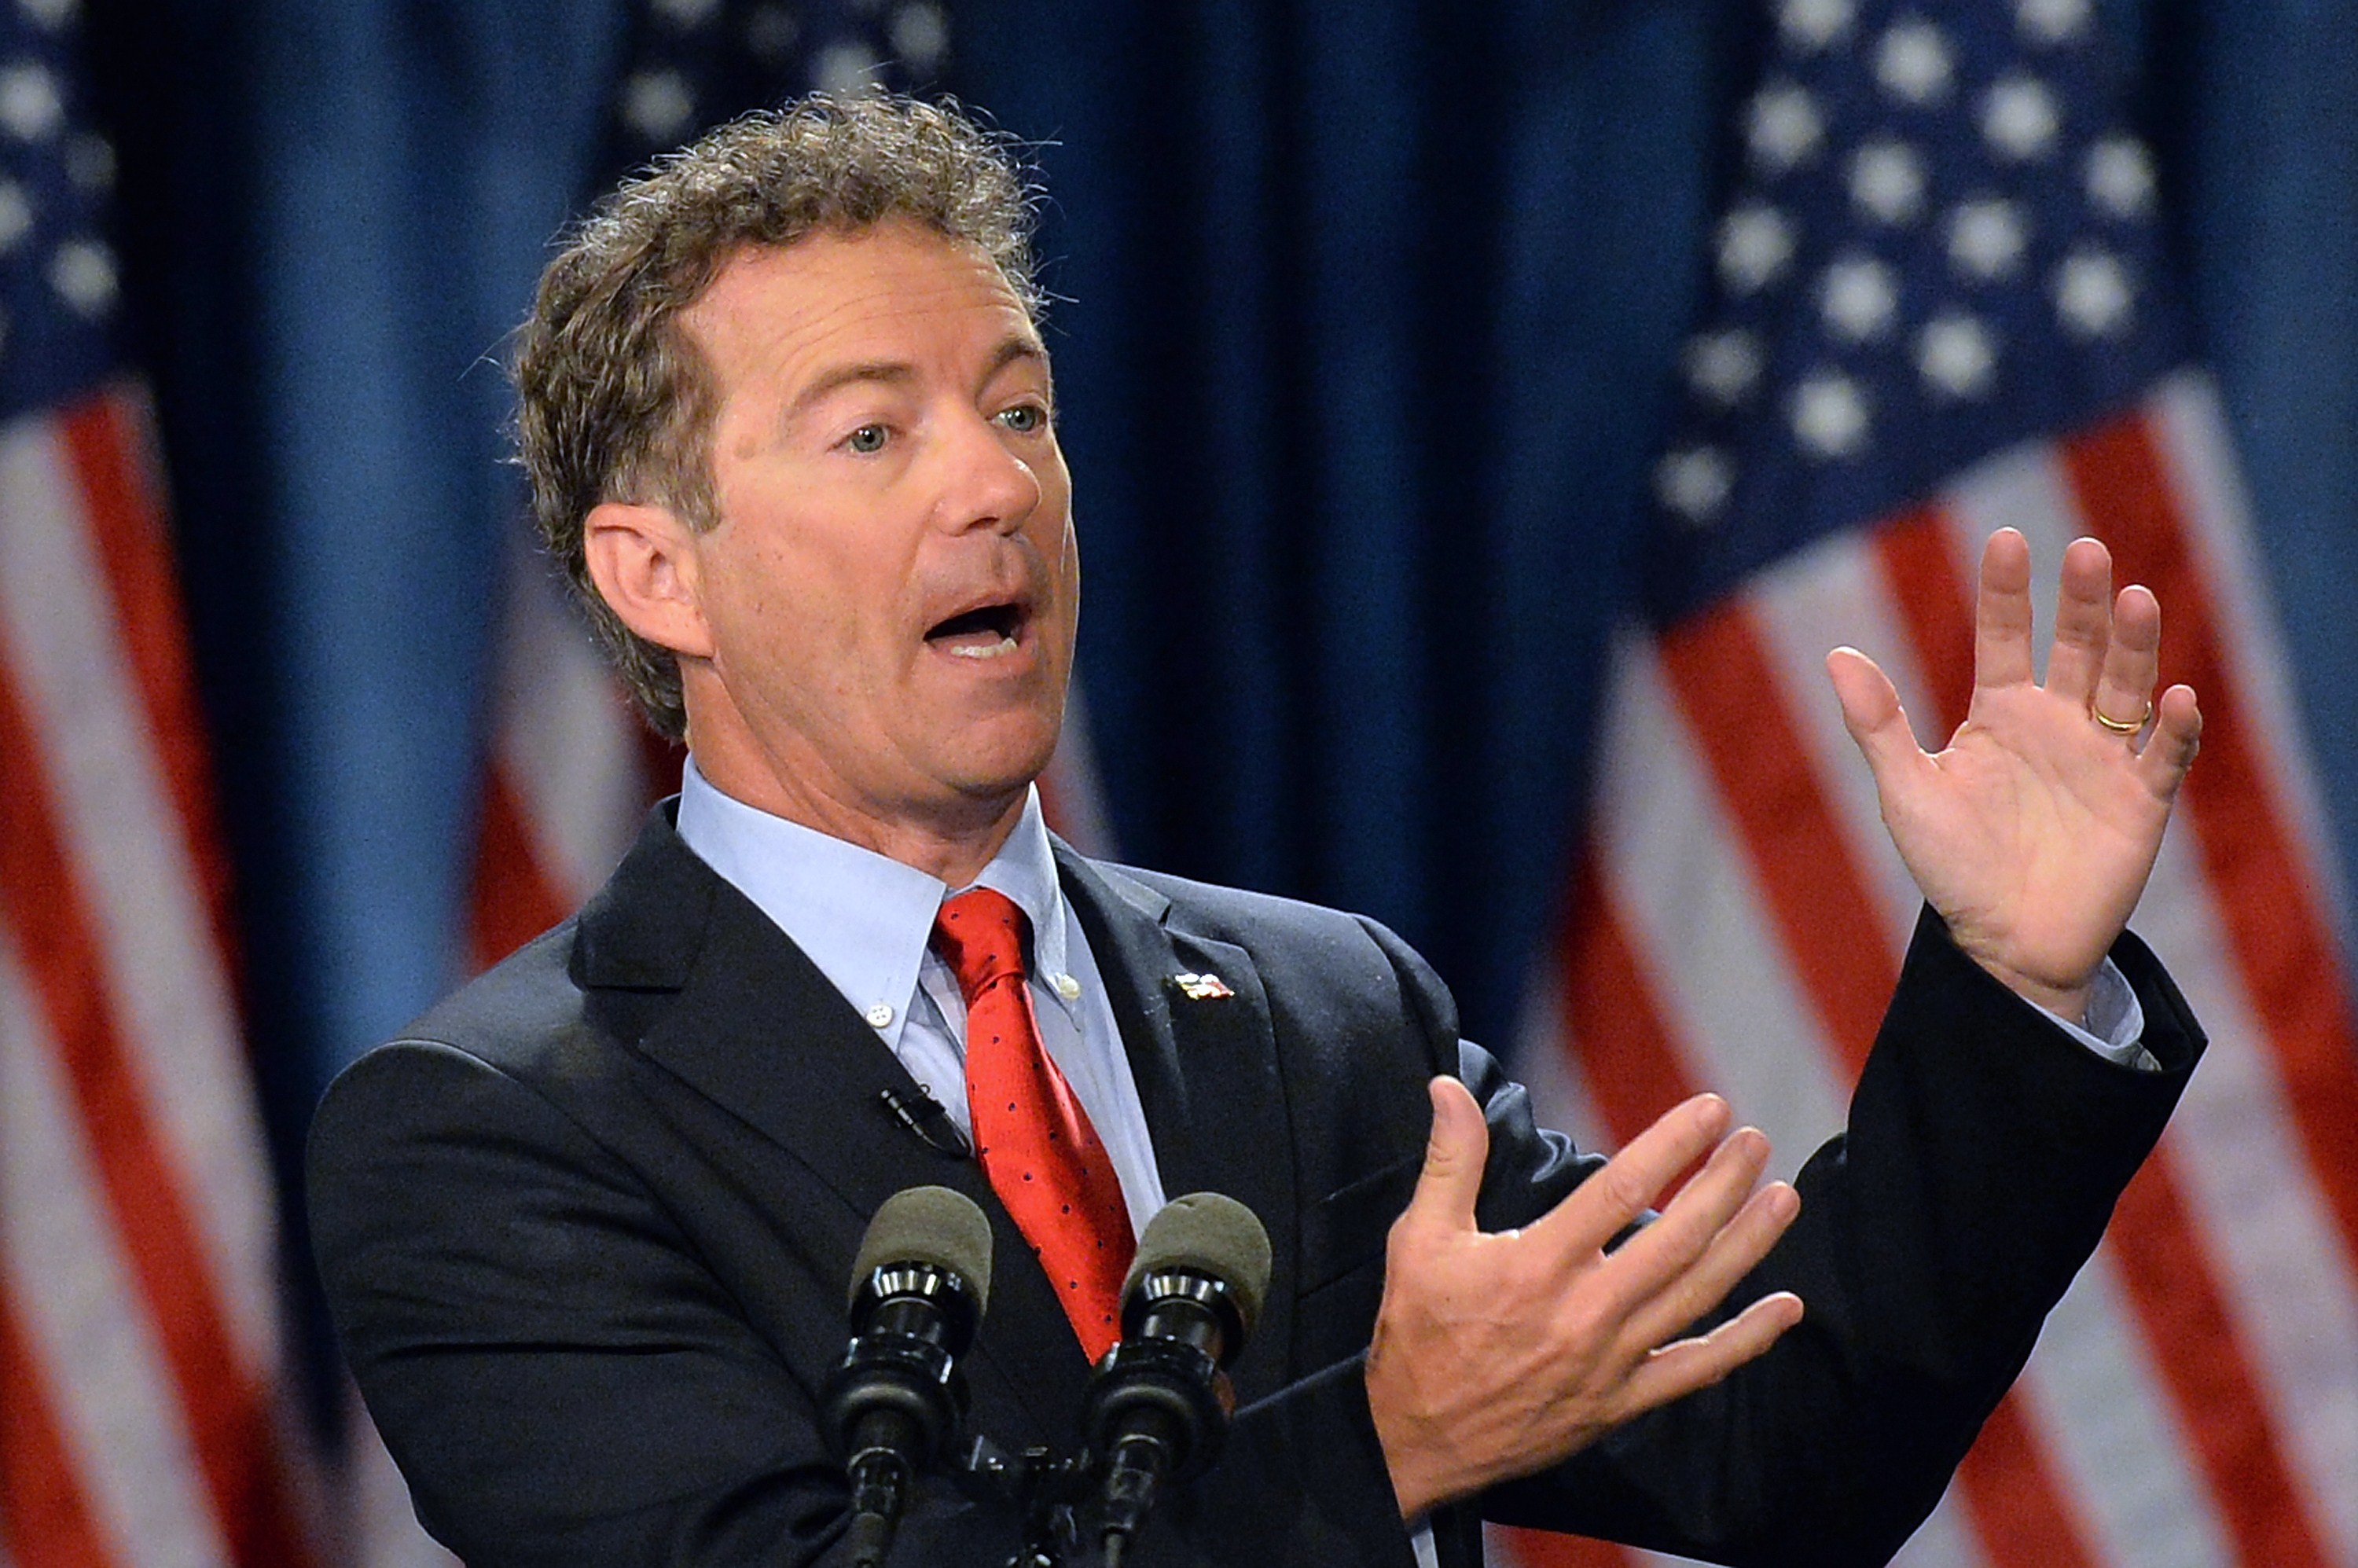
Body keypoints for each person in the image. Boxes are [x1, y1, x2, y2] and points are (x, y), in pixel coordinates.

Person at [307, 95, 2206, 1568]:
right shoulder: (498, 1134)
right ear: (662, 575)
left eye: (1021, 408)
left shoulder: (1312, 1010)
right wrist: (1380, 1443)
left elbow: (1797, 1437)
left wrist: (2014, 987)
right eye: (872, 434)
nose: (994, 481)